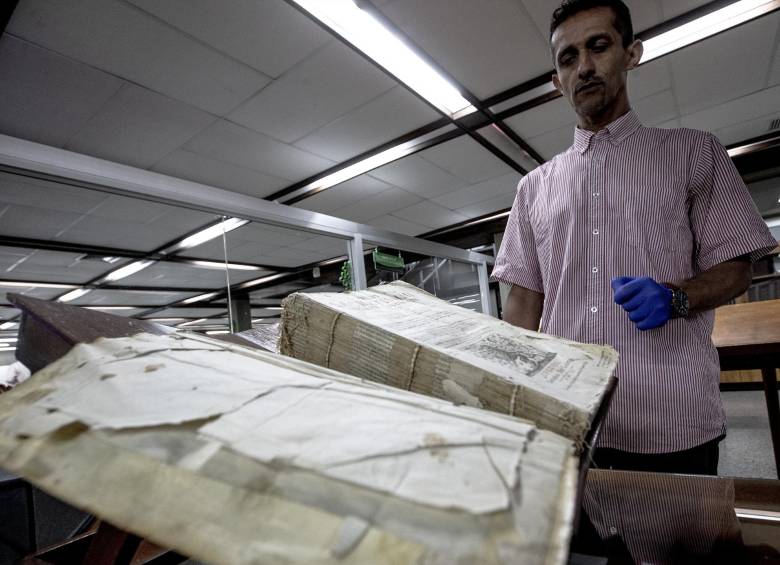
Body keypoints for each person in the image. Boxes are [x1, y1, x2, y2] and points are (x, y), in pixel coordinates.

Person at [492, 0, 777, 475]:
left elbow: (737, 268)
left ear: (631, 53)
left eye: (598, 46)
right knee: (578, 549)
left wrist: (676, 297)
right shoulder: (532, 188)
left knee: (685, 549)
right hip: (569, 424)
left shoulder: (692, 154)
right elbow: (523, 304)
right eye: (568, 58)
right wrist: (504, 388)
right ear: (556, 79)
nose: (583, 67)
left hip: (671, 417)